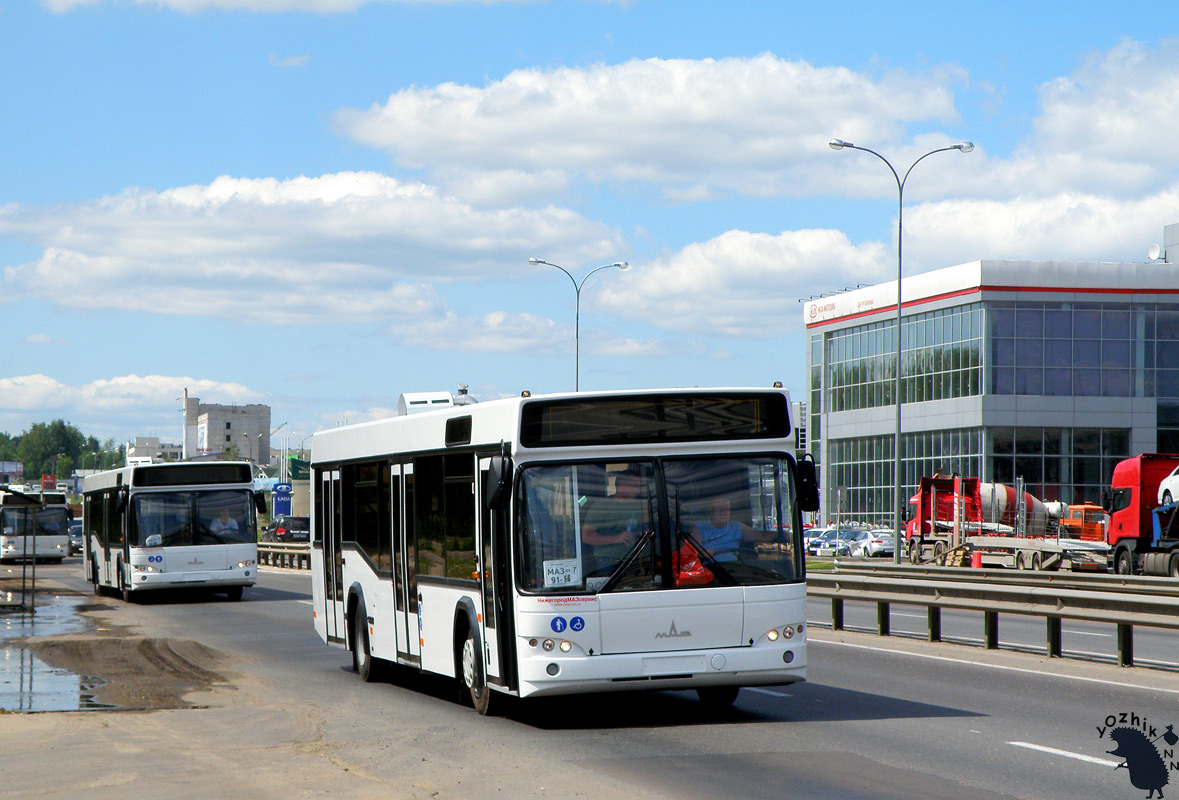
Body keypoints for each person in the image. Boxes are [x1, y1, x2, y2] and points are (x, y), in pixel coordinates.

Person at [581, 469, 647, 567]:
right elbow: (586, 537)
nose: (638, 490)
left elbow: (636, 529)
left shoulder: (638, 505)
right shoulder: (602, 505)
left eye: (639, 487)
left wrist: (641, 534)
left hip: (633, 560)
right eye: (635, 486)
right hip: (608, 562)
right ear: (622, 486)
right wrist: (616, 538)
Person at [690, 496, 772, 562]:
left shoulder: (736, 527)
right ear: (711, 511)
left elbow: (761, 536)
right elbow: (695, 552)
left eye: (727, 509)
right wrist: (704, 554)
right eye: (720, 509)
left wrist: (782, 535)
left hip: (734, 572)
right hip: (710, 572)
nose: (724, 512)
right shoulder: (698, 528)